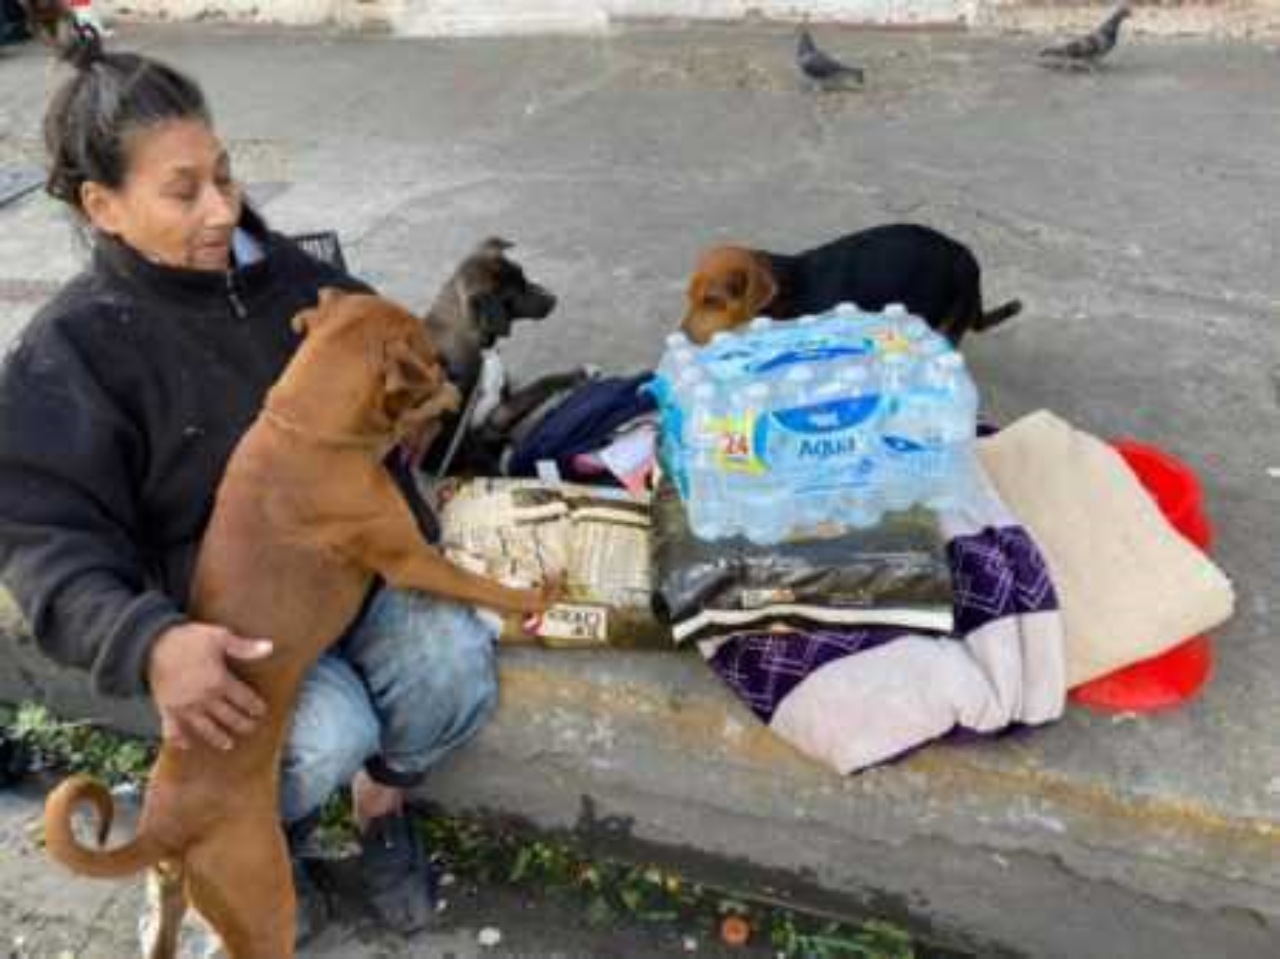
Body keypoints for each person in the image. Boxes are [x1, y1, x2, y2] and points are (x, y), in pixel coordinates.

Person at [0, 25, 498, 944]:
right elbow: (45, 542)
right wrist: (150, 641)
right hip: (225, 631)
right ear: (102, 206)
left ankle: (383, 808)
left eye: (225, 176)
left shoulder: (286, 278)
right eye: (183, 192)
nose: (223, 210)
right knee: (321, 734)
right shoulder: (70, 351)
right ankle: (213, 849)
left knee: (453, 662)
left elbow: (392, 355)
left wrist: (419, 391)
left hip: (348, 570)